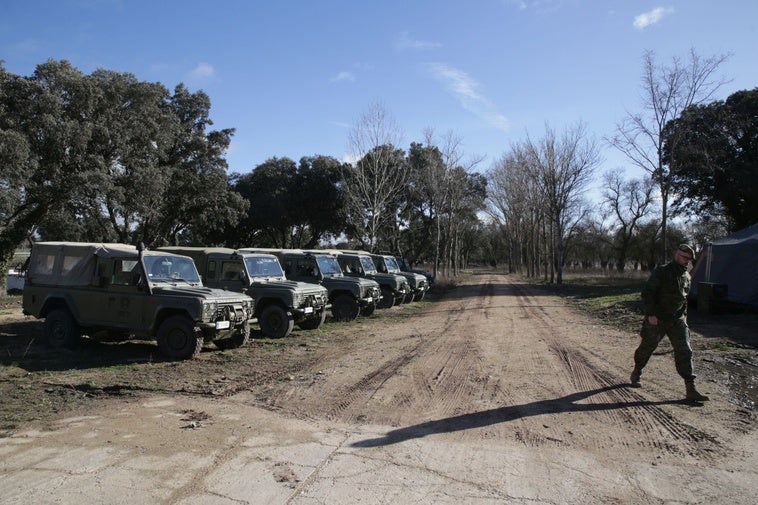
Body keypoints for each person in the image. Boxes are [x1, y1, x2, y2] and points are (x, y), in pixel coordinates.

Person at [630, 244, 709, 402]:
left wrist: (684, 318)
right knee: (647, 347)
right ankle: (637, 371)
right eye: (681, 255)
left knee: (685, 351)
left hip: (677, 320)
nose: (683, 259)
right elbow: (648, 293)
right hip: (658, 319)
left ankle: (690, 388)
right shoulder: (662, 271)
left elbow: (683, 299)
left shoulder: (686, 276)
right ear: (676, 254)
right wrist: (650, 314)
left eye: (686, 258)